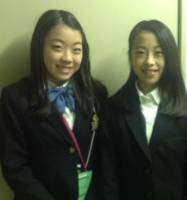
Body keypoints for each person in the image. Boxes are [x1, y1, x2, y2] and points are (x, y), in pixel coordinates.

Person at [0, 9, 107, 200]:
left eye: (76, 49)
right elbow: (15, 167)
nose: (68, 58)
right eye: (58, 47)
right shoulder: (15, 98)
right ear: (39, 47)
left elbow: (104, 155)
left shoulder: (96, 93)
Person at [100, 20, 187, 200]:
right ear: (130, 56)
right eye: (140, 52)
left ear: (169, 57)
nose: (149, 61)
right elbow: (108, 174)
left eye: (158, 53)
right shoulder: (112, 109)